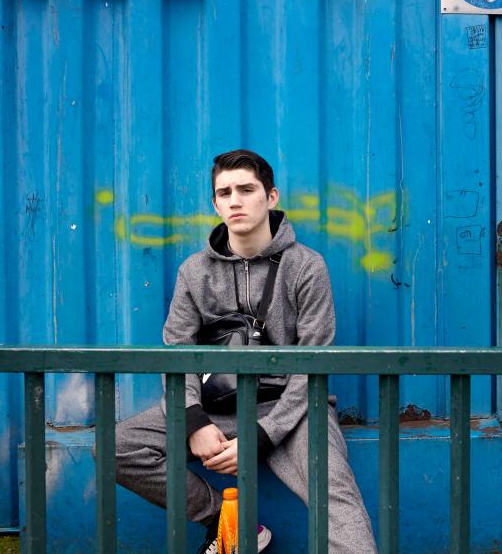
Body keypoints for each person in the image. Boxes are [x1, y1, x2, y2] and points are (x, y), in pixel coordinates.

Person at [115, 149, 377, 554]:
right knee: (116, 447)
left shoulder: (307, 266)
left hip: (293, 411)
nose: (235, 200)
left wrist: (262, 436)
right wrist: (193, 422)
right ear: (215, 204)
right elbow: (176, 354)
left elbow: (313, 364)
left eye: (246, 189)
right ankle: (229, 523)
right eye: (225, 192)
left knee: (334, 493)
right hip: (218, 410)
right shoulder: (194, 271)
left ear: (270, 197)